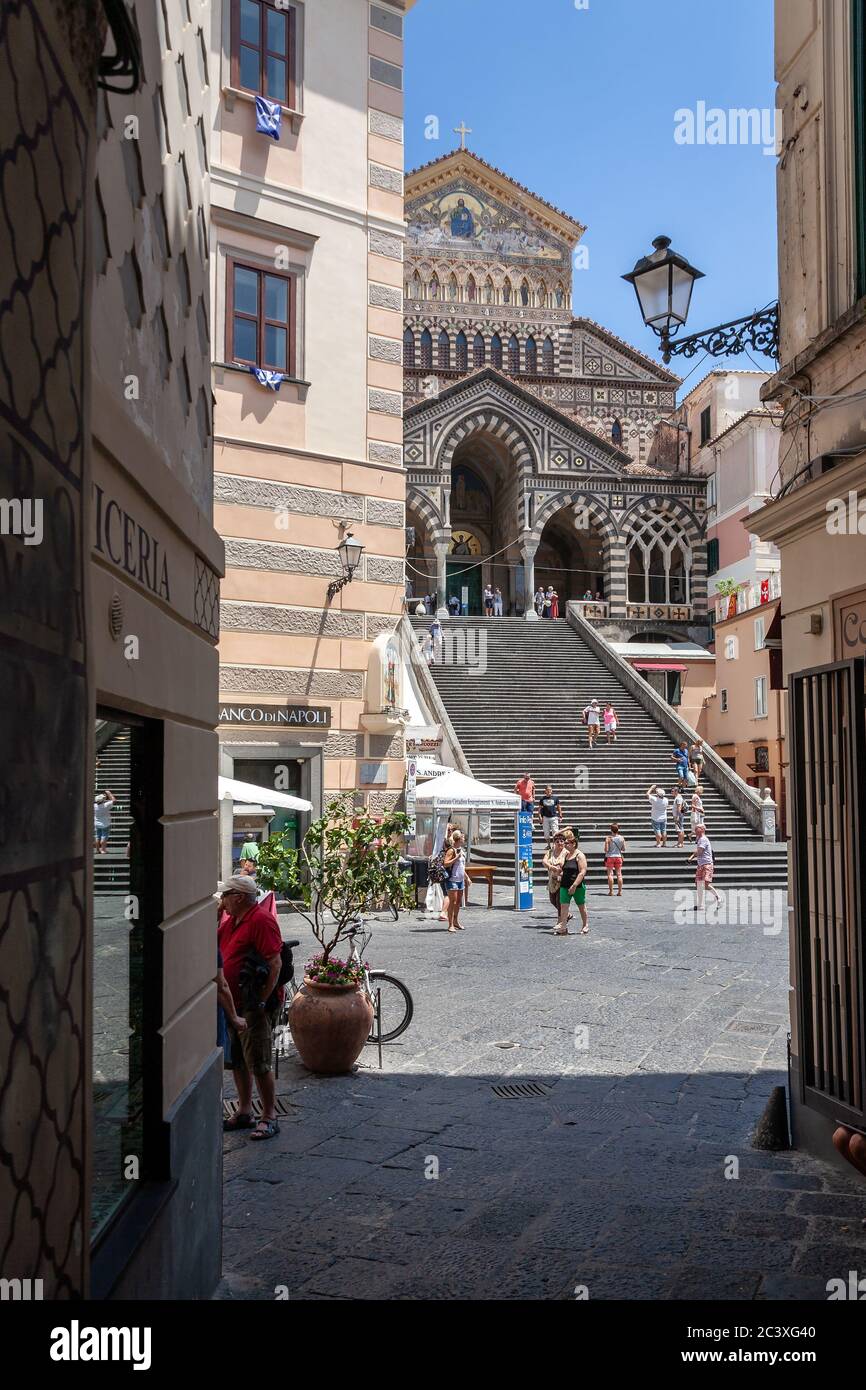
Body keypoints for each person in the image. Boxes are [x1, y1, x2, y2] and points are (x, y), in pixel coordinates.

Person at [217, 874, 284, 1141]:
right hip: (233, 1003)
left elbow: (275, 963)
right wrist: (219, 909)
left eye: (225, 896)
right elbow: (210, 938)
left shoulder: (261, 921)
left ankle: (269, 1116)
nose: (222, 900)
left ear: (239, 897)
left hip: (253, 1005)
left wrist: (261, 1001)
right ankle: (245, 1111)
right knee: (237, 1060)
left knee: (258, 1061)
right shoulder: (233, 920)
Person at [556, 829, 589, 935]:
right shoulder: (566, 855)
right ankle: (564, 927)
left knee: (581, 906)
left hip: (577, 886)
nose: (564, 845)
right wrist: (559, 872)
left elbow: (582, 872)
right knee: (564, 907)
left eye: (566, 843)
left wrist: (574, 885)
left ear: (573, 844)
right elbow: (563, 868)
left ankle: (585, 925)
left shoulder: (580, 855)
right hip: (564, 885)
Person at [688, 822, 721, 911]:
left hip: (707, 864)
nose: (695, 830)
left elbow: (700, 852)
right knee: (699, 884)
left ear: (702, 830)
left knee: (705, 884)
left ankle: (718, 898)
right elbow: (698, 851)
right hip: (701, 864)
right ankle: (700, 905)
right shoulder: (699, 839)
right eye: (695, 829)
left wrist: (691, 857)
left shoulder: (703, 839)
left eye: (697, 829)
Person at [443, 829, 466, 932]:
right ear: (458, 838)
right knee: (453, 901)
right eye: (462, 836)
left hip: (460, 880)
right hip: (452, 879)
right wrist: (455, 858)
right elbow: (445, 863)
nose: (464, 838)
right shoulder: (451, 850)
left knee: (458, 902)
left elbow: (462, 866)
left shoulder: (461, 850)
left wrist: (467, 877)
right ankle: (450, 924)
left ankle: (456, 921)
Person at [543, 831, 567, 921]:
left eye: (562, 841)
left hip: (562, 880)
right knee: (552, 900)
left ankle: (560, 921)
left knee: (559, 901)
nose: (560, 843)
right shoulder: (550, 852)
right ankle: (567, 914)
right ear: (554, 843)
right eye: (557, 841)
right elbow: (544, 861)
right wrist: (551, 867)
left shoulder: (566, 853)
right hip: (552, 880)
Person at [604, 823, 626, 896]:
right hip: (618, 857)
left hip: (610, 857)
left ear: (611, 830)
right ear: (618, 829)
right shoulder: (622, 838)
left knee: (610, 874)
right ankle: (619, 892)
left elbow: (606, 850)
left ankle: (611, 891)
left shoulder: (608, 838)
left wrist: (606, 842)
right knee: (619, 874)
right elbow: (623, 849)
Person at [93, 789, 117, 854]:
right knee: (104, 837)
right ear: (102, 800)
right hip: (105, 824)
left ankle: (97, 850)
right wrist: (109, 793)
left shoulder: (94, 806)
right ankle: (103, 850)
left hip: (97, 823)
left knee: (97, 837)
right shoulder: (106, 805)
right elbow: (114, 800)